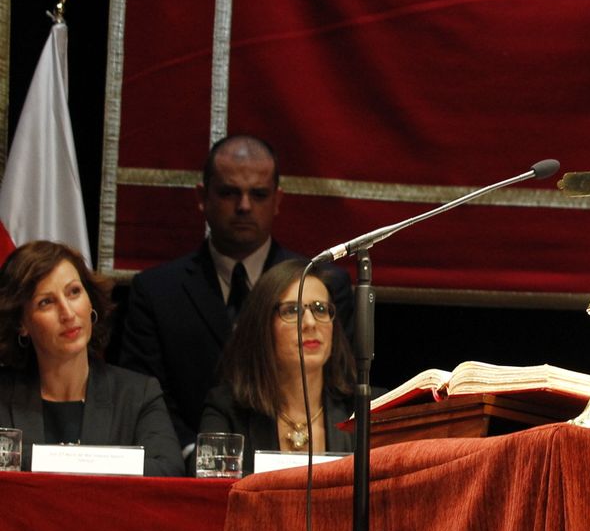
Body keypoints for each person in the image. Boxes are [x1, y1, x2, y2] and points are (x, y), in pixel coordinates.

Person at [116, 134, 353, 448]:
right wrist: (197, 456)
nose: (244, 206)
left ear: (278, 200)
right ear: (203, 196)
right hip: (185, 466)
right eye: (229, 193)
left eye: (258, 194)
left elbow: (342, 382)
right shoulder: (157, 291)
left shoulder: (322, 283)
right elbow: (143, 395)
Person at [0, 241, 182, 476]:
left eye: (74, 292)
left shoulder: (137, 394)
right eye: (46, 302)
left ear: (90, 302)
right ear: (22, 323)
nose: (67, 313)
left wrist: (61, 463)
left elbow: (169, 470)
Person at [198, 261, 355, 474]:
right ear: (262, 327)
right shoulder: (227, 410)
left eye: (320, 309)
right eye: (292, 311)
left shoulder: (364, 411)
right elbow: (209, 493)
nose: (310, 322)